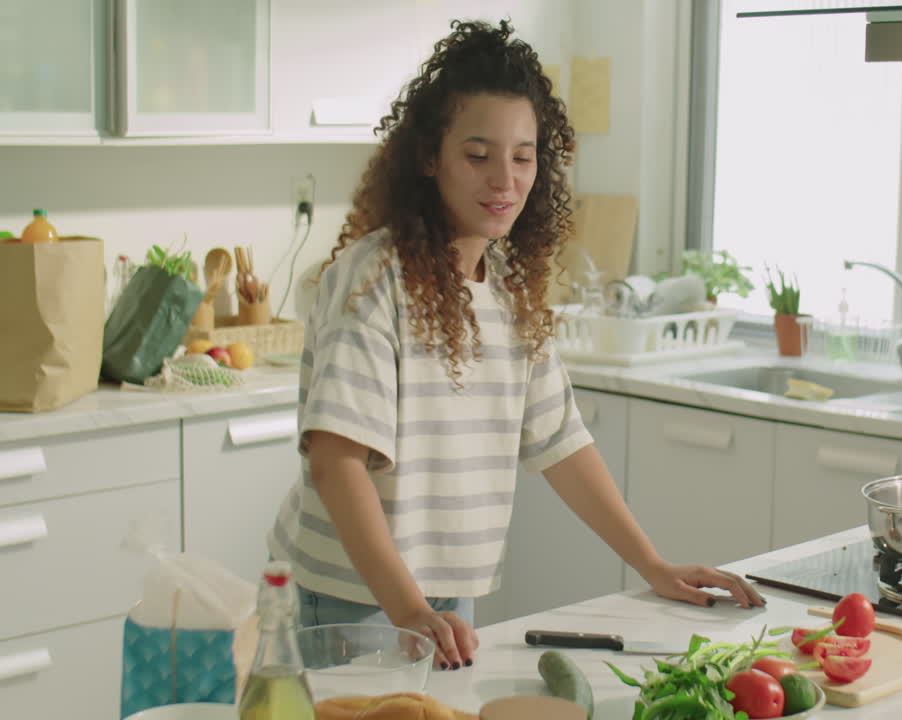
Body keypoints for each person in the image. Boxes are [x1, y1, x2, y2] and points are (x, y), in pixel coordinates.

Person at [266, 19, 764, 673]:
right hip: (354, 597)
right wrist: (408, 609)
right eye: (478, 155)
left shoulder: (506, 287)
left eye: (523, 156)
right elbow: (336, 463)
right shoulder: (373, 281)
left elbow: (563, 443)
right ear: (429, 157)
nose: (504, 179)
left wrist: (652, 564)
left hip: (446, 595)